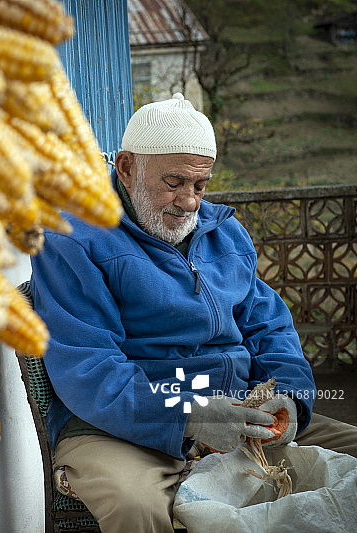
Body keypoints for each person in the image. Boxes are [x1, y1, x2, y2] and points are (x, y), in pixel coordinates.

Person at [29, 93, 357, 532]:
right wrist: (189, 414)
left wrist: (292, 397)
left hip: (238, 411)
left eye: (200, 185)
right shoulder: (71, 239)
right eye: (174, 182)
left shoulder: (226, 234)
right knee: (135, 506)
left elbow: (270, 327)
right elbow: (89, 370)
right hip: (120, 426)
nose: (189, 202)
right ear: (126, 168)